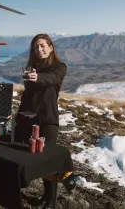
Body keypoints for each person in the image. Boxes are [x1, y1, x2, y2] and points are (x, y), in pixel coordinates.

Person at [14, 33, 77, 209]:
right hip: (29, 119)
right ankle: (43, 197)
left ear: (50, 47)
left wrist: (38, 78)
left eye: (42, 46)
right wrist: (18, 116)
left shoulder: (60, 67)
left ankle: (50, 201)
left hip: (48, 119)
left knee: (48, 161)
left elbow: (53, 79)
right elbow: (28, 96)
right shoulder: (32, 68)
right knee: (28, 156)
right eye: (36, 47)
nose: (39, 49)